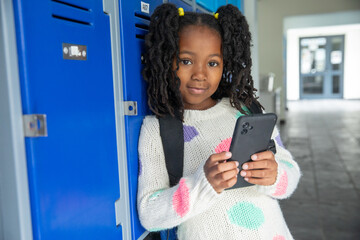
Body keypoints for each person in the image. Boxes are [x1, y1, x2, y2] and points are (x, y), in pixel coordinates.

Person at [137, 3, 301, 240]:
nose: (200, 74)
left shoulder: (245, 110)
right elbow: (150, 215)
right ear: (166, 58)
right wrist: (203, 185)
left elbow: (291, 172)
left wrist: (275, 175)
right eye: (185, 61)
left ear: (225, 65)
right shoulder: (157, 130)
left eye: (212, 63)